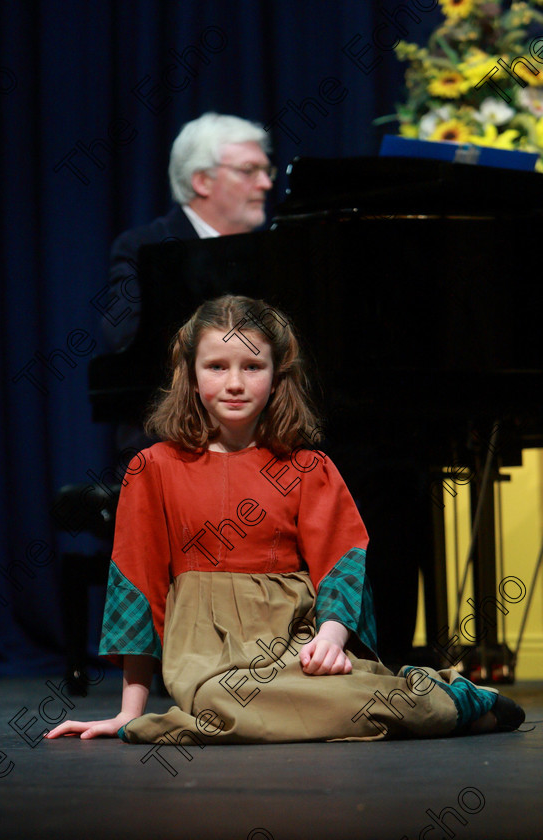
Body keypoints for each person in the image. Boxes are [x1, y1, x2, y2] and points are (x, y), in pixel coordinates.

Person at [47, 295, 525, 744]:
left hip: (295, 640)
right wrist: (130, 712)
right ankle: (434, 706)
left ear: (276, 377)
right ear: (191, 377)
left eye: (252, 366)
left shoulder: (307, 467)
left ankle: (445, 702)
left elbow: (341, 561)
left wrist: (332, 639)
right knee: (218, 699)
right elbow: (139, 585)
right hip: (205, 654)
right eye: (216, 367)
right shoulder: (153, 469)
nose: (235, 383)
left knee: (302, 695)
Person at [105, 112, 275, 352]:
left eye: (267, 171)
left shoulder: (272, 249)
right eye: (249, 170)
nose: (266, 184)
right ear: (202, 181)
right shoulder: (144, 246)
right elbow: (123, 339)